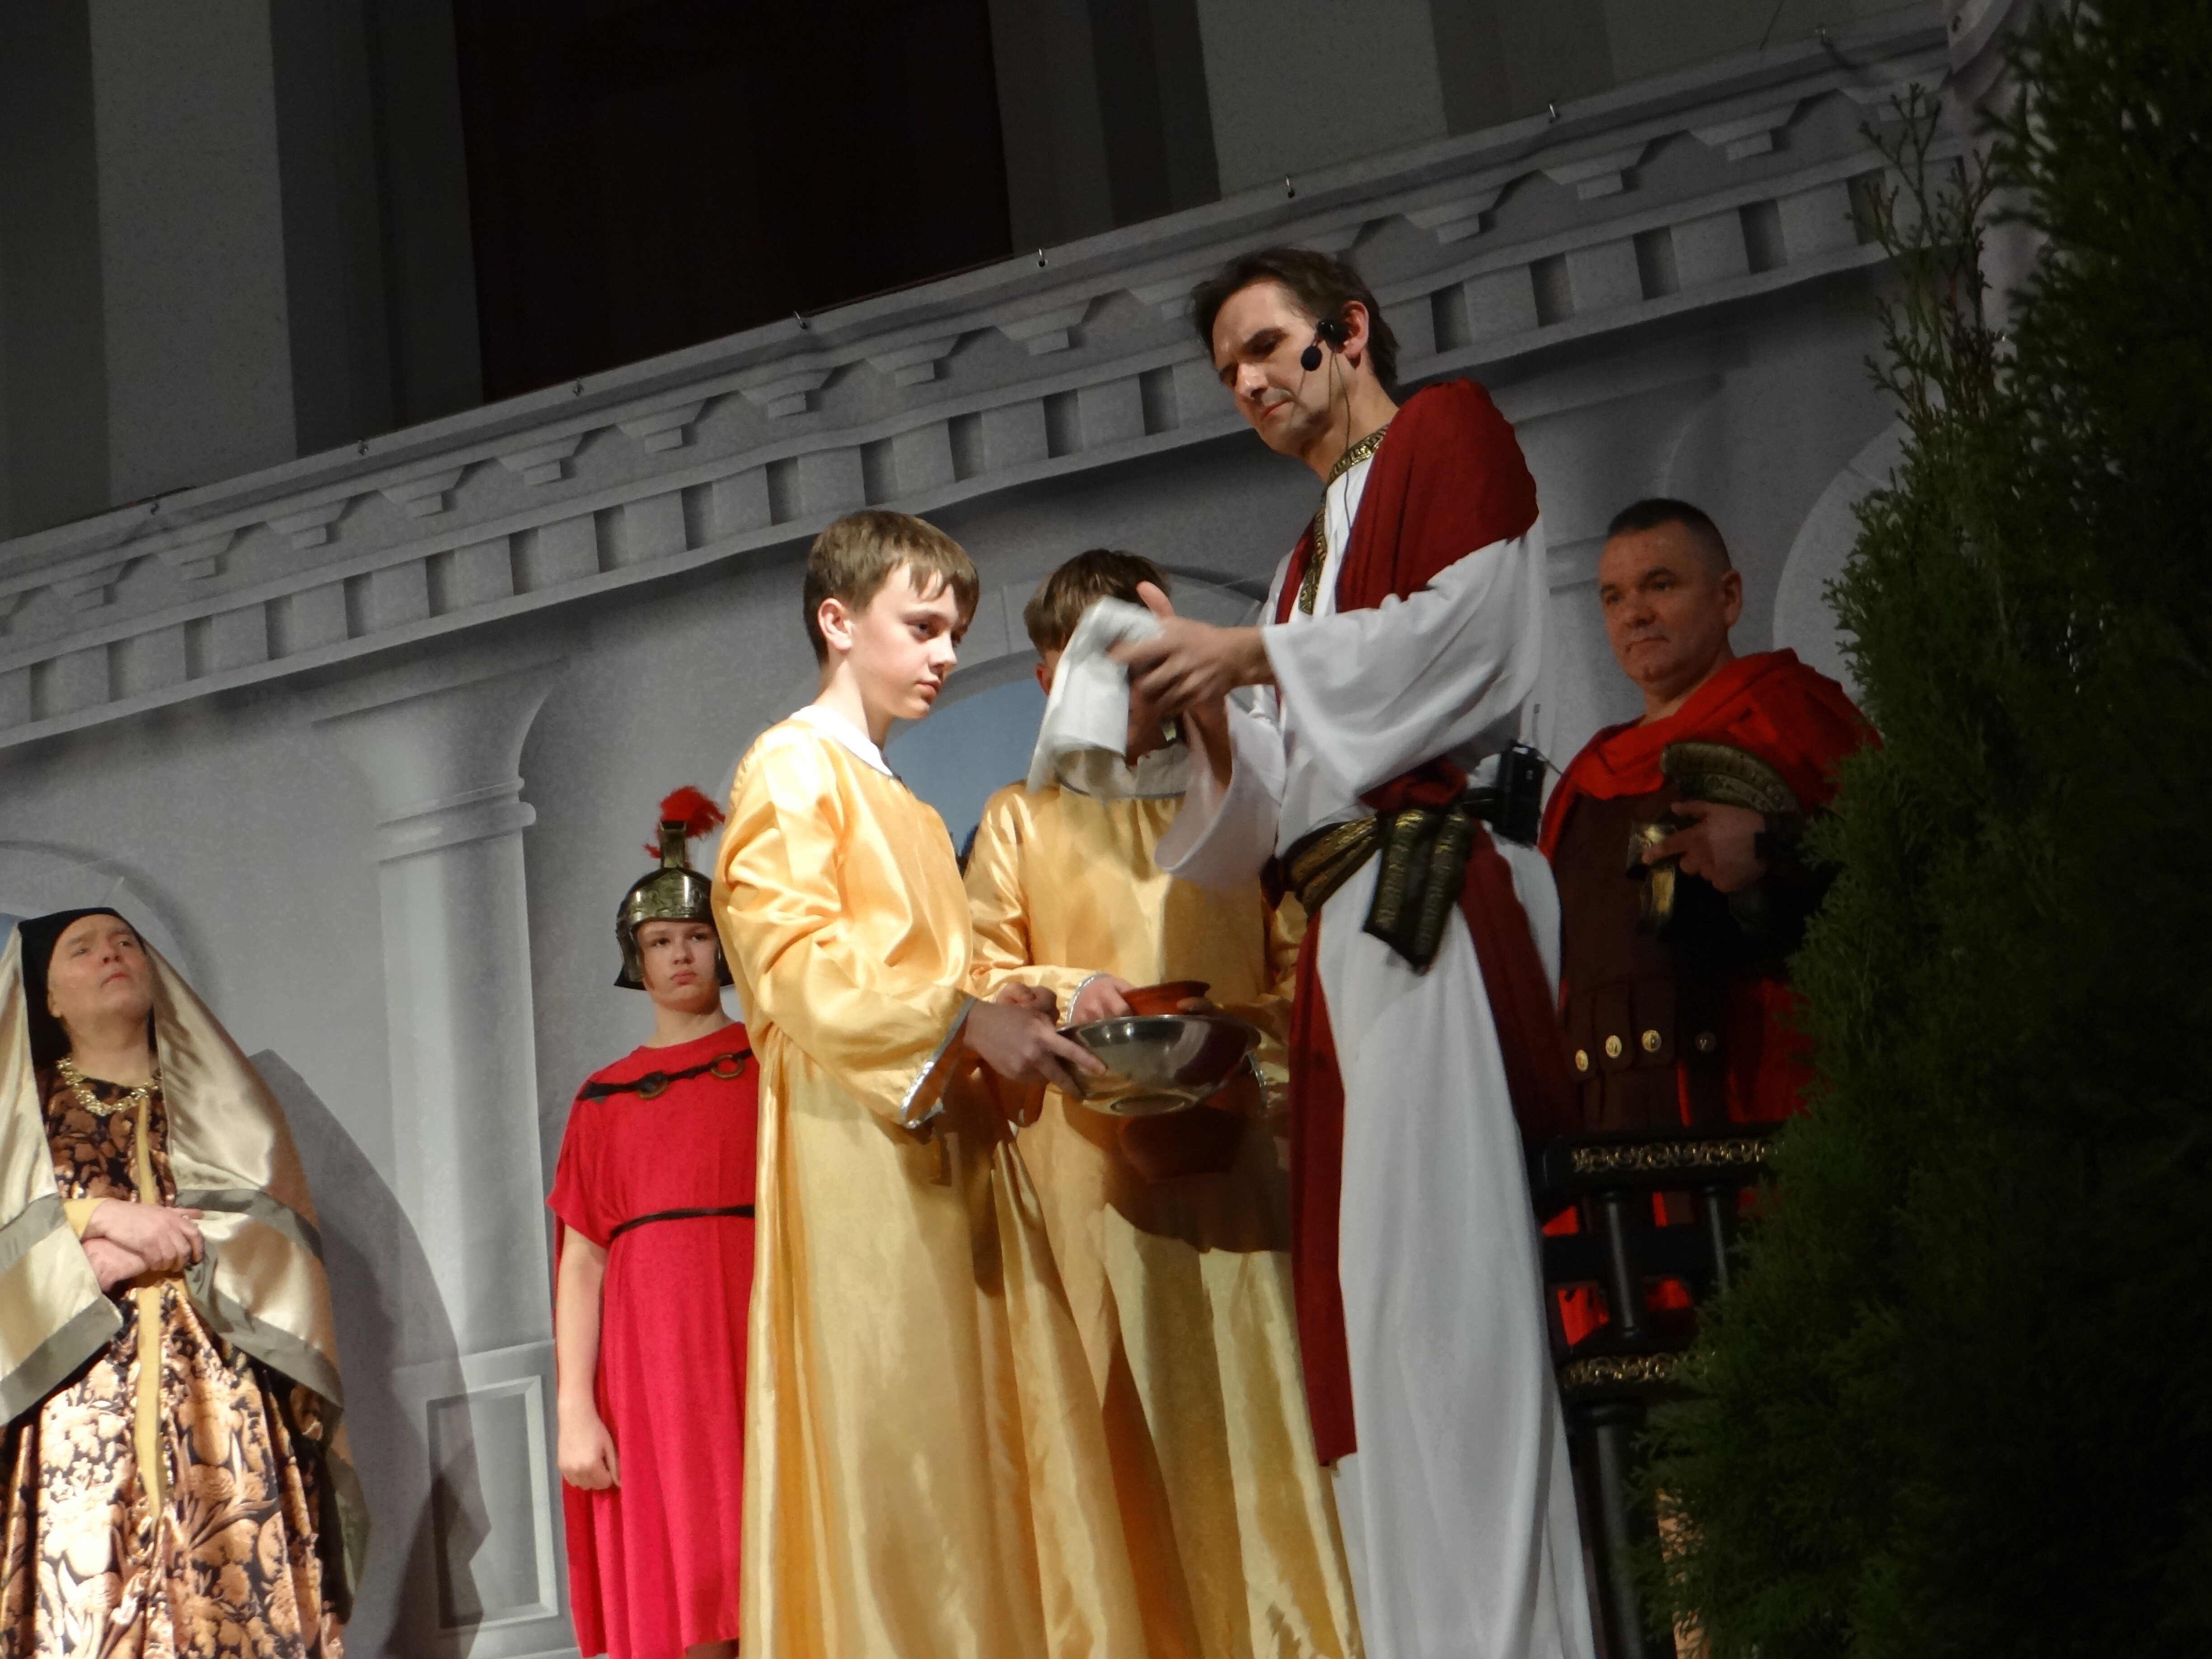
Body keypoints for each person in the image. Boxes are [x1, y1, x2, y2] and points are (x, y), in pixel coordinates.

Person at [1111, 246, 1595, 1659]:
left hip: (1429, 899)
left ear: (1349, 331)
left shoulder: (1450, 433)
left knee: (1455, 1299)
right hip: (1351, 929)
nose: (1252, 382)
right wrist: (1206, 710)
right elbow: (1277, 801)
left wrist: (1254, 658)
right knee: (1381, 1320)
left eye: (1268, 346)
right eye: (1229, 371)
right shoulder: (1304, 560)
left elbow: (1465, 635)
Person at [712, 510, 1148, 1659]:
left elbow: (949, 973)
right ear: (838, 620)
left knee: (992, 1448)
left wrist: (1061, 993)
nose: (947, 653)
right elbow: (794, 964)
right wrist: (958, 1024)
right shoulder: (792, 768)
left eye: (955, 629)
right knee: (908, 1455)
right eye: (921, 627)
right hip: (865, 1160)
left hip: (951, 1157)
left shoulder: (900, 800)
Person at [963, 549, 1362, 1659]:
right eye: (1087, 670)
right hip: (1088, 1179)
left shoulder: (1234, 805)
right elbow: (982, 977)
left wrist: (1236, 1048)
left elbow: (1302, 970)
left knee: (1263, 1421)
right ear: (1047, 680)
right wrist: (1064, 990)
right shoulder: (1021, 822)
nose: (1119, 695)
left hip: (1239, 1166)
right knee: (1112, 1434)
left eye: (1136, 666)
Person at [1538, 504, 1870, 1336]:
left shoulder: (1791, 715)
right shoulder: (1581, 782)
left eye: (1660, 585)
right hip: (1614, 1177)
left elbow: (1894, 875)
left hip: (1761, 1135)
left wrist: (1775, 850)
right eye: (1613, 596)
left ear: (1728, 598)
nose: (1634, 614)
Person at [0, 907, 362, 1655]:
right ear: (49, 997)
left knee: (229, 1603)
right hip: (77, 1401)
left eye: (125, 943)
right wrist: (99, 1219)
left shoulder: (219, 1102)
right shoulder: (24, 1115)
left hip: (219, 1390)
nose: (111, 955)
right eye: (82, 949)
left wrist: (136, 1254)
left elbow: (266, 1236)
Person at [551, 787, 757, 1659]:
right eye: (662, 940)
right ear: (636, 958)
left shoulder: (772, 1064)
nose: (681, 954)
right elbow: (582, 1262)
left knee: (774, 1566)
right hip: (651, 1371)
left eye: (698, 936)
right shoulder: (603, 1099)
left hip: (756, 1338)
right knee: (685, 1586)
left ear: (724, 946)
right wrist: (574, 1409)